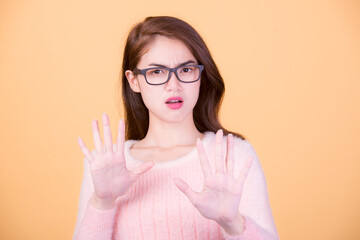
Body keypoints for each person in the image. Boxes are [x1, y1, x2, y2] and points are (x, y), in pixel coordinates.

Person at [73, 16, 279, 240]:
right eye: (157, 72)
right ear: (133, 81)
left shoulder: (233, 155)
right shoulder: (109, 163)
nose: (174, 85)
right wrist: (102, 202)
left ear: (201, 75)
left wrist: (233, 224)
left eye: (186, 70)